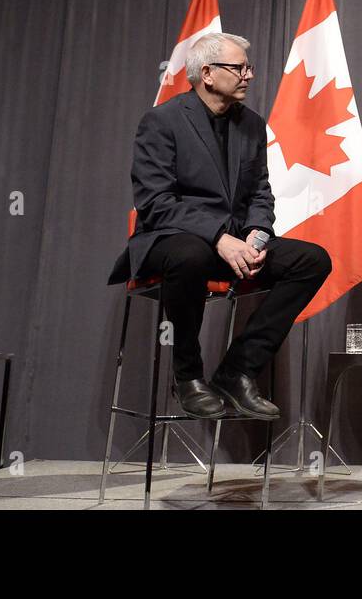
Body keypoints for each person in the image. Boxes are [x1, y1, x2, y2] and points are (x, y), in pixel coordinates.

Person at [108, 32, 331, 419]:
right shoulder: (162, 121)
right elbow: (155, 203)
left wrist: (256, 236)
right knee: (191, 254)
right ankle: (189, 376)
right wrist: (218, 237)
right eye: (239, 67)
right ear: (207, 73)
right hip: (170, 240)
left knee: (312, 259)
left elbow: (260, 192)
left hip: (234, 243)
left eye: (249, 67)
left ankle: (237, 370)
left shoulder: (252, 125)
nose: (248, 74)